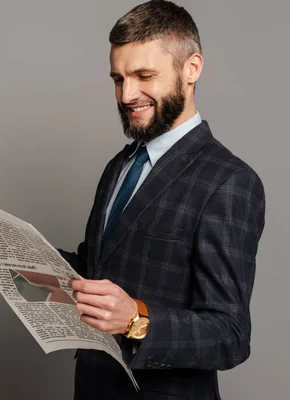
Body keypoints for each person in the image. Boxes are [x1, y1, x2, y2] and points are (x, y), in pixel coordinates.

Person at [57, 1, 266, 399]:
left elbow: (230, 335)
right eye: (118, 79)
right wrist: (24, 256)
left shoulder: (231, 182)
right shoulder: (119, 166)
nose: (127, 94)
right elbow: (101, 268)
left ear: (192, 69)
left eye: (143, 75)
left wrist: (137, 319)